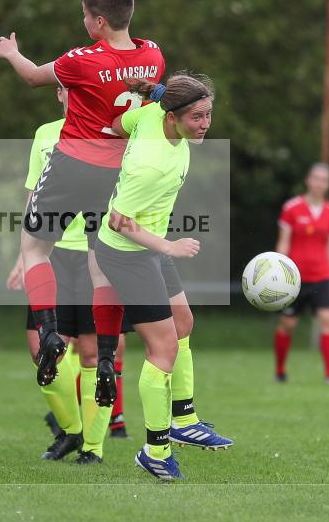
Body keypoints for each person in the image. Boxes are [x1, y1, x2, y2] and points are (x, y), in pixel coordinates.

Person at [0, 0, 165, 402]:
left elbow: (35, 77)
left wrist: (11, 53)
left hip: (73, 165)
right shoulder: (153, 56)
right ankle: (107, 355)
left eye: (86, 15)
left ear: (99, 22)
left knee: (34, 248)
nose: (83, 21)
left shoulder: (81, 60)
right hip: (116, 177)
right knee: (101, 265)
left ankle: (50, 331)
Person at [95, 73, 233, 481]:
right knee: (163, 349)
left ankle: (184, 420)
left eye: (208, 114)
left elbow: (120, 125)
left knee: (184, 323)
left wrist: (118, 131)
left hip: (149, 245)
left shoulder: (156, 110)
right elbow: (117, 220)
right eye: (197, 117)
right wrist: (169, 247)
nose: (205, 124)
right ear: (173, 118)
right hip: (127, 253)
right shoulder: (149, 164)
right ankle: (155, 451)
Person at [5, 87, 130, 464]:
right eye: (68, 91)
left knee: (92, 353)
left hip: (95, 253)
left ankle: (93, 446)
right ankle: (70, 430)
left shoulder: (113, 137)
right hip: (51, 253)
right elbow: (33, 195)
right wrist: (20, 254)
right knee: (41, 348)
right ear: (60, 94)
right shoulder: (45, 133)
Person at [274, 163, 329, 384]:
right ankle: (280, 371)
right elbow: (284, 242)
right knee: (288, 324)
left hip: (322, 277)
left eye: (324, 179)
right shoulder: (292, 208)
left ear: (328, 185)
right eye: (316, 178)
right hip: (294, 279)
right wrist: (278, 273)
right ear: (308, 180)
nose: (319, 183)